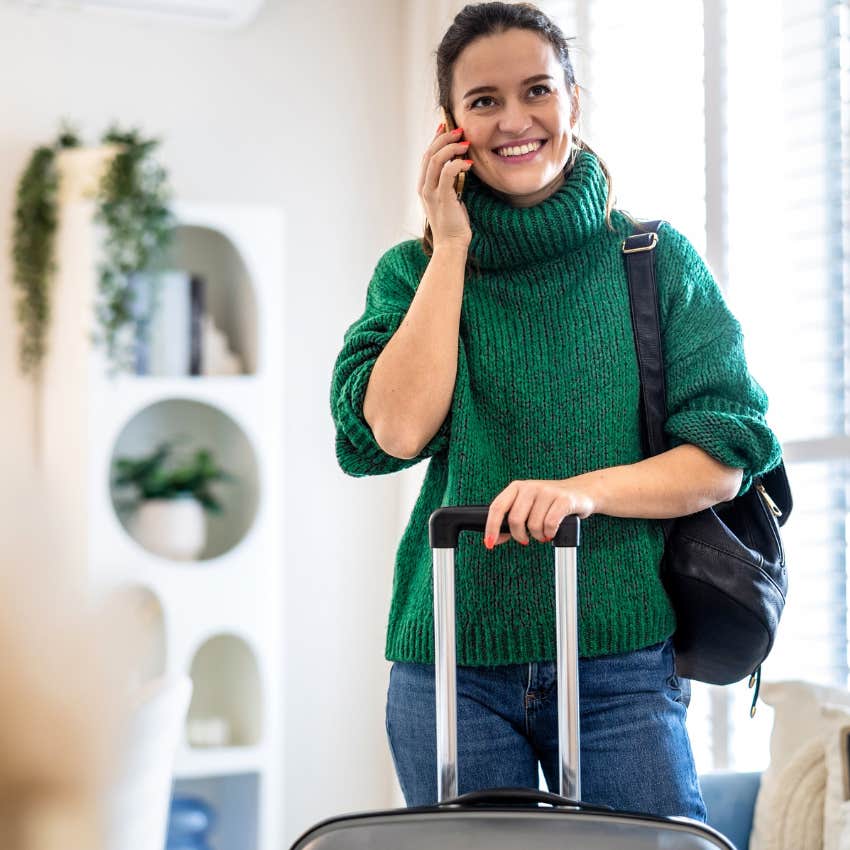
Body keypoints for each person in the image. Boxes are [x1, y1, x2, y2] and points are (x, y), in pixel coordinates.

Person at [330, 0, 781, 820]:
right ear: (450, 128)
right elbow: (391, 432)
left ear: (575, 99)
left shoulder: (651, 259)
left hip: (618, 662)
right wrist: (452, 245)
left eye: (537, 90)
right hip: (449, 666)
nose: (515, 120)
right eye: (483, 101)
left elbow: (726, 452)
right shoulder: (413, 271)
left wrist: (582, 491)